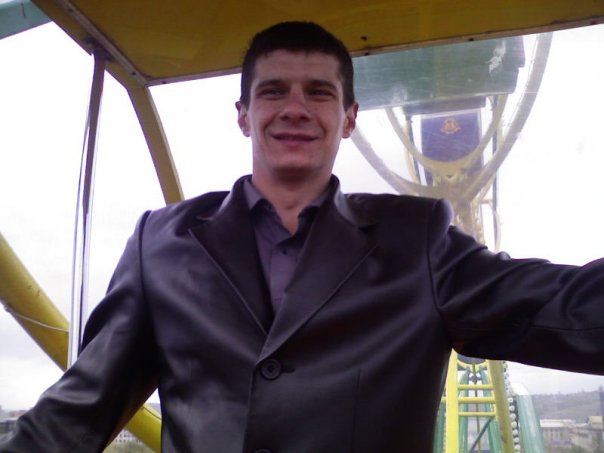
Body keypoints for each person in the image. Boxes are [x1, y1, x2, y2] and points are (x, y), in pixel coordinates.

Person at [1, 21, 603, 453]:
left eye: (319, 92)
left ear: (348, 118)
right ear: (243, 115)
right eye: (273, 91)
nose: (295, 107)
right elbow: (78, 412)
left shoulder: (417, 241)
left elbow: (567, 310)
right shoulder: (160, 242)